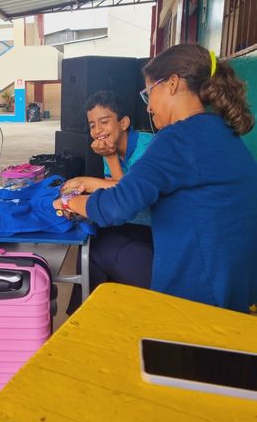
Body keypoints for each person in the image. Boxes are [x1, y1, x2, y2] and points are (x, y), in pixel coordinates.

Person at [55, 44, 257, 313]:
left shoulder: (177, 139)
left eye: (149, 92)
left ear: (172, 83)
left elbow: (117, 206)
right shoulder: (221, 131)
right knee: (112, 236)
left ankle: (95, 320)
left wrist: (67, 202)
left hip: (201, 291)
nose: (149, 107)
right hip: (234, 281)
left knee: (99, 247)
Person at [66, 90, 154, 314]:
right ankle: (88, 311)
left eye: (104, 122)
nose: (98, 130)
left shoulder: (148, 148)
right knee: (92, 238)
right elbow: (111, 189)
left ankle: (86, 313)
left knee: (96, 248)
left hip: (154, 231)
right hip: (131, 224)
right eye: (92, 125)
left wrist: (103, 164)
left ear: (124, 123)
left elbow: (127, 198)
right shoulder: (111, 146)